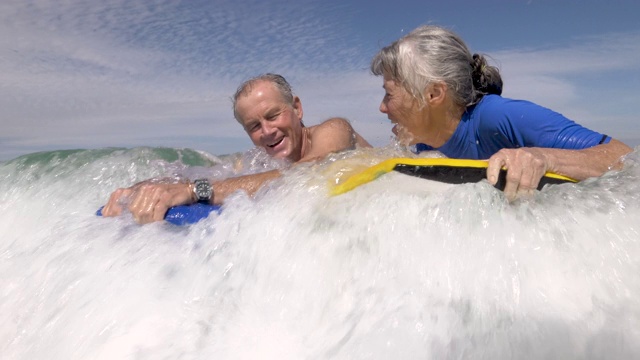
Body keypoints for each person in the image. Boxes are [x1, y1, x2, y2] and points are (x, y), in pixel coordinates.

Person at [370, 25, 632, 201]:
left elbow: (624, 158)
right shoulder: (423, 146)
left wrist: (542, 157)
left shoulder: (498, 117)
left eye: (389, 94)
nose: (382, 107)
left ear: (434, 94)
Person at [101, 73, 371, 223]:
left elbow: (308, 173)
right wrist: (142, 191)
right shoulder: (259, 162)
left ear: (297, 108)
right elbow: (197, 174)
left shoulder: (334, 130)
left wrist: (193, 192)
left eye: (273, 115)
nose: (267, 132)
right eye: (254, 126)